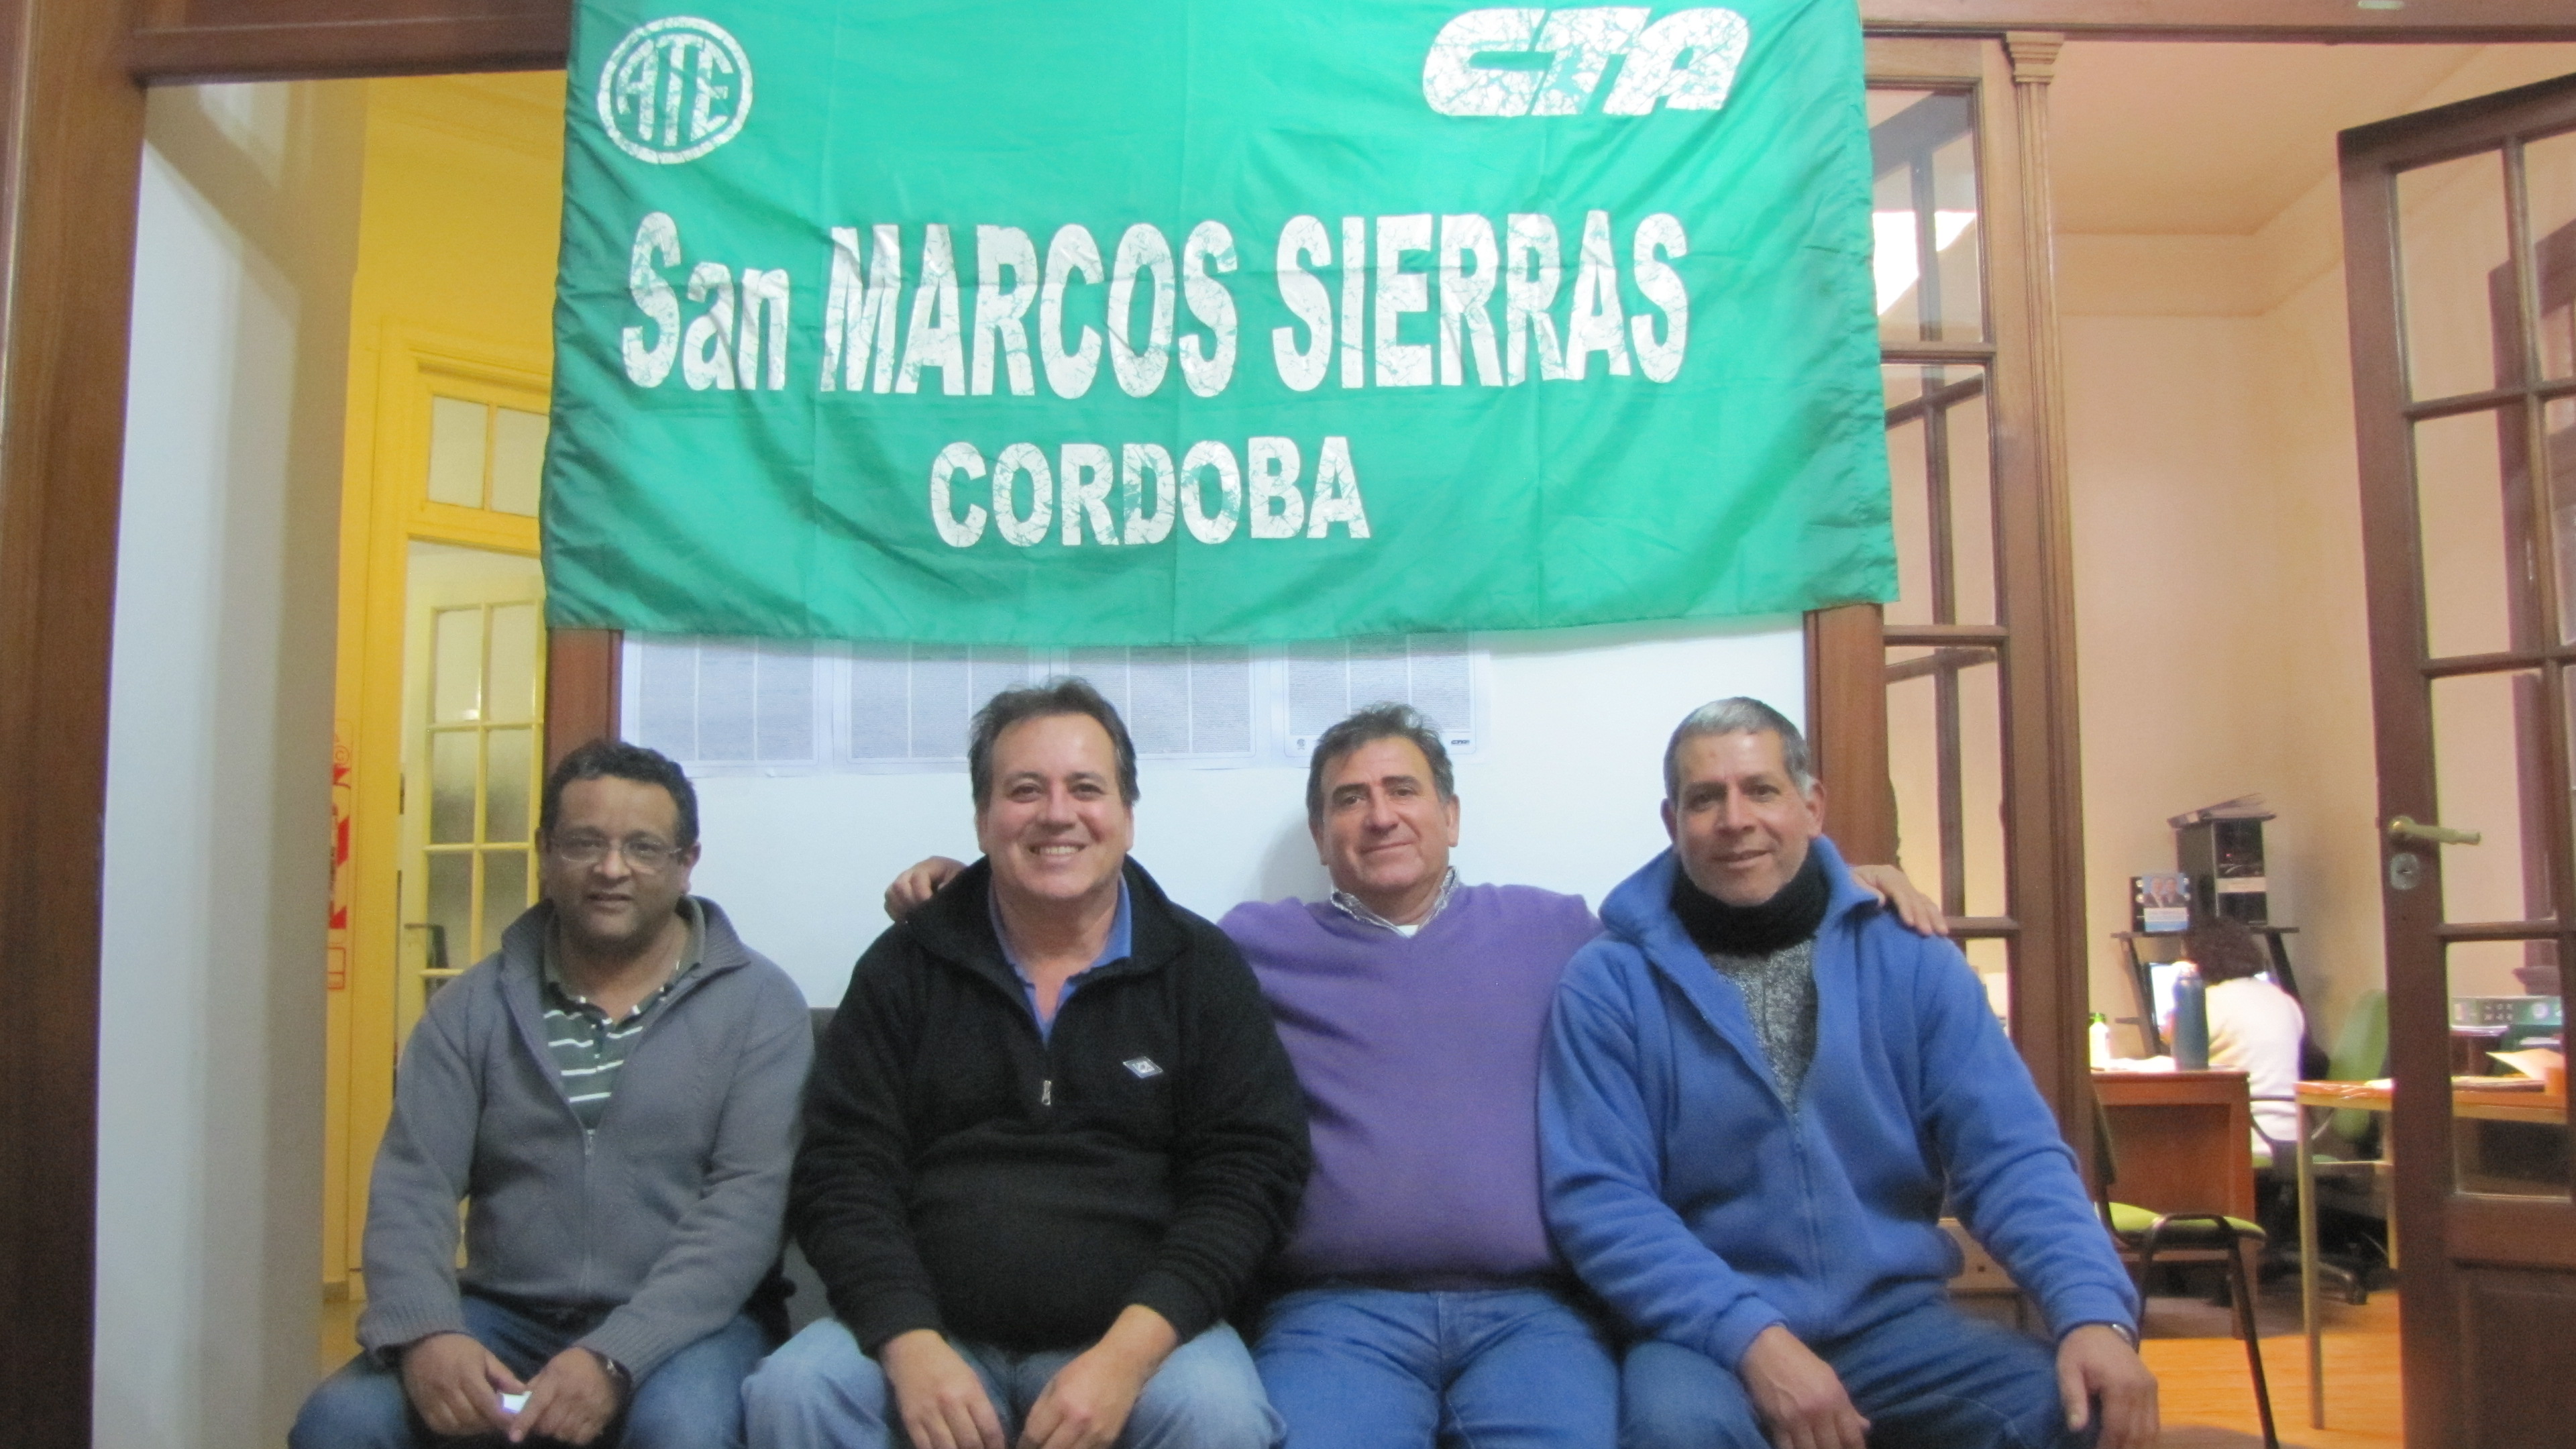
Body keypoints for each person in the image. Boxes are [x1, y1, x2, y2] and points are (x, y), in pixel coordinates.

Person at [878, 701, 1944, 1449]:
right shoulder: (1249, 947)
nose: (1379, 814)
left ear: (1452, 816)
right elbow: (1096, 910)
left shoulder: (1558, 930)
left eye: (1403, 790)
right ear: (1320, 835)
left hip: (1533, 1312)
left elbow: (1713, 897)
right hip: (1338, 1315)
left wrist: (1842, 882)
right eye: (1349, 800)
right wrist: (964, 884)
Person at [1540, 697, 2159, 1449]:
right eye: (1706, 800)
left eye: (1761, 790)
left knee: (2076, 1415)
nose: (1736, 820)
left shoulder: (1911, 957)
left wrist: (2093, 1313)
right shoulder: (1609, 983)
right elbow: (1603, 1202)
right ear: (1673, 822)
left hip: (1895, 1325)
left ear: (1812, 806)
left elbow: (2012, 1156)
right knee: (1678, 1433)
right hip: (1701, 1339)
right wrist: (1754, 1339)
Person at [745, 679, 1310, 1449]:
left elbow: (1250, 1179)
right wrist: (909, 1344)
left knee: (1220, 1417)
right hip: (929, 1333)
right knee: (794, 1393)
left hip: (1139, 1339)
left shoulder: (1199, 968)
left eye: (1086, 788)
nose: (1056, 813)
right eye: (1024, 790)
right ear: (983, 819)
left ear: (1127, 816)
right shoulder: (904, 967)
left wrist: (1125, 1359)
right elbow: (842, 1173)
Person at [291, 740, 812, 1449]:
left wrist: (616, 1354)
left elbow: (746, 1209)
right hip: (504, 1313)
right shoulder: (472, 1007)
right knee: (341, 1422)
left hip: (694, 1326)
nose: (611, 869)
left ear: (687, 862)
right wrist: (426, 1333)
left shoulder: (760, 1007)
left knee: (682, 1430)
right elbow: (414, 1186)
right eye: (584, 844)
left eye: (643, 848)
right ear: (544, 851)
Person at [2184, 916, 2306, 1154]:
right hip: (2294, 1138)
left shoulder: (2210, 1002)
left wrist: (2175, 1025)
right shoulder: (2284, 1000)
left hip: (2243, 1136)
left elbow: (2184, 1065)